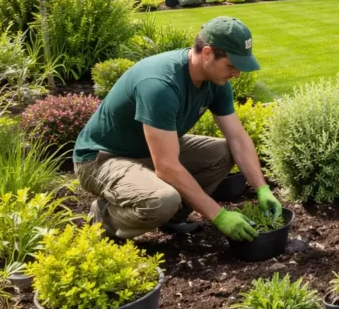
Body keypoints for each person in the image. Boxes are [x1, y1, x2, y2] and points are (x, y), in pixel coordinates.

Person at [73, 16, 279, 242]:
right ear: (208, 53)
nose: (237, 73)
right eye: (232, 65)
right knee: (163, 199)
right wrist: (218, 215)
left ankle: (170, 218)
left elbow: (237, 138)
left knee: (224, 152)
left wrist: (262, 189)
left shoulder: (215, 82)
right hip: (102, 158)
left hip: (146, 151)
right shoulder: (161, 85)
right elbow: (167, 167)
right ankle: (102, 220)